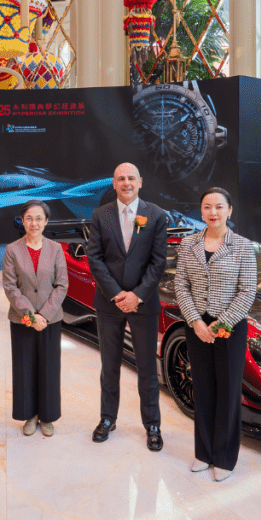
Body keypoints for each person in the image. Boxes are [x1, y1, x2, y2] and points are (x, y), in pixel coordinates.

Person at [173, 187, 257, 482]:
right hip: (196, 325)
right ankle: (204, 452)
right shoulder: (189, 243)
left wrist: (222, 324)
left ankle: (224, 457)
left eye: (219, 206)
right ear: (201, 210)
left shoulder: (243, 246)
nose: (213, 212)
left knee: (228, 391)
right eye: (207, 207)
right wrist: (195, 321)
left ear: (229, 210)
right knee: (203, 389)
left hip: (229, 328)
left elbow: (247, 291)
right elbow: (180, 285)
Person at [85, 163, 168, 451]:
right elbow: (95, 258)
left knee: (147, 369)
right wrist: (117, 293)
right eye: (121, 178)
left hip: (144, 304)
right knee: (109, 366)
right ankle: (107, 418)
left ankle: (152, 425)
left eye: (131, 178)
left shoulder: (156, 215)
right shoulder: (100, 215)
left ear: (140, 181)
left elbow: (158, 261)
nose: (126, 183)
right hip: (109, 304)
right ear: (113, 183)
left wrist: (137, 295)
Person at [2, 200, 68, 437]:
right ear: (22, 221)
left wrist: (44, 315)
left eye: (39, 218)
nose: (34, 223)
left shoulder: (56, 249)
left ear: (46, 221)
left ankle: (47, 416)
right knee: (24, 368)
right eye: (29, 218)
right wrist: (31, 316)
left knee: (49, 367)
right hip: (22, 319)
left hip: (51, 319)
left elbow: (62, 285)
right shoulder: (12, 249)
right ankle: (29, 415)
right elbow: (10, 287)